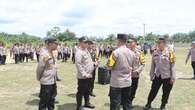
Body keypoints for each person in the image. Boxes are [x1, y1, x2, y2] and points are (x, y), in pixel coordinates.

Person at [143, 38, 176, 110]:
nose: (158, 44)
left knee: (166, 92)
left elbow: (173, 65)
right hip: (158, 75)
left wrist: (173, 77)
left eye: (160, 43)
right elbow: (153, 65)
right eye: (157, 43)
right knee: (153, 90)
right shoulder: (155, 53)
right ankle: (148, 104)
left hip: (167, 76)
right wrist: (151, 75)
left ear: (164, 44)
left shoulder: (170, 52)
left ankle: (163, 105)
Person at [107, 34, 136, 110]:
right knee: (126, 104)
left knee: (115, 104)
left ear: (118, 40)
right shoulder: (132, 53)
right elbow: (133, 67)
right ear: (126, 41)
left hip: (117, 83)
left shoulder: (115, 52)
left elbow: (109, 66)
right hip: (127, 82)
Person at [36, 38, 58, 110]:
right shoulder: (45, 54)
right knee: (44, 101)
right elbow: (40, 67)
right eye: (56, 44)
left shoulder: (52, 53)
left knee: (51, 99)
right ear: (50, 44)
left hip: (52, 80)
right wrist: (39, 77)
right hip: (47, 81)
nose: (57, 45)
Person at [75, 37, 96, 110]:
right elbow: (78, 64)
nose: (87, 44)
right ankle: (79, 106)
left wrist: (94, 63)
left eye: (88, 42)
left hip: (89, 75)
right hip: (83, 76)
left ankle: (87, 103)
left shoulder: (86, 51)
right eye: (85, 42)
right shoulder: (79, 52)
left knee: (87, 90)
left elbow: (88, 62)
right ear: (80, 43)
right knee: (81, 91)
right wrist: (84, 74)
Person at [127, 38, 145, 108]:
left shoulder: (140, 53)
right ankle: (125, 101)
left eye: (131, 42)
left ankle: (130, 101)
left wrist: (138, 71)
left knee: (133, 89)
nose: (129, 43)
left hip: (135, 75)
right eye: (128, 42)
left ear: (135, 43)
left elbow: (143, 63)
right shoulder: (125, 52)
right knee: (125, 89)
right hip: (126, 75)